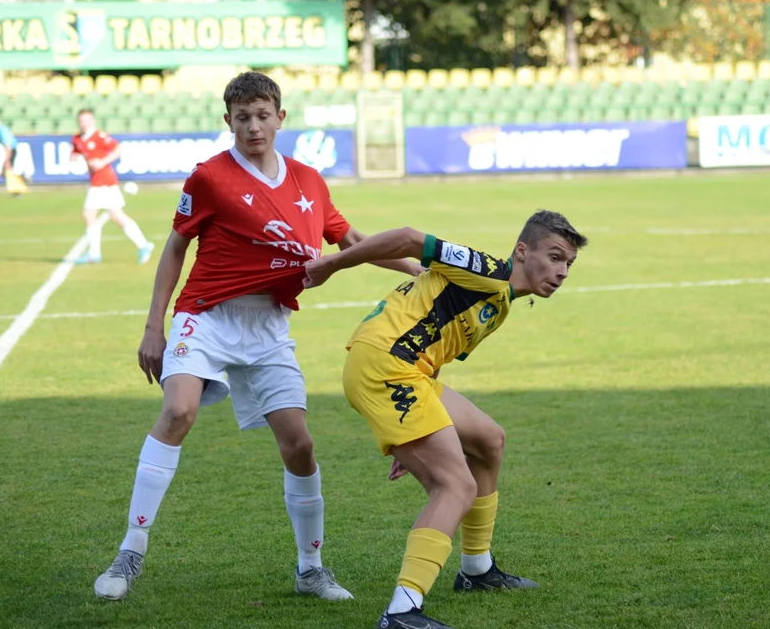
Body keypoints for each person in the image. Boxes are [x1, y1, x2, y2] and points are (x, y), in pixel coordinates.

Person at [92, 71, 423, 603]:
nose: (253, 126)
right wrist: (154, 326)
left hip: (268, 326)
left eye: (262, 115)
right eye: (242, 117)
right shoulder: (209, 178)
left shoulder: (309, 181)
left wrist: (420, 271)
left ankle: (310, 569)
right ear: (228, 121)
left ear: (280, 118)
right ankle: (130, 553)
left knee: (301, 444)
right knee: (179, 412)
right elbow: (175, 248)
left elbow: (355, 241)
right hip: (206, 315)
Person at [302, 211, 588, 629]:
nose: (561, 272)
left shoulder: (500, 303)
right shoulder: (489, 271)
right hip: (385, 365)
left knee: (489, 439)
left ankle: (476, 570)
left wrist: (418, 427)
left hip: (411, 371)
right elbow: (405, 238)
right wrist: (332, 263)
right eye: (555, 257)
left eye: (569, 264)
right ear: (523, 251)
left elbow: (437, 346)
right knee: (455, 485)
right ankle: (401, 612)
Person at [70, 109, 154, 265]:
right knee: (112, 214)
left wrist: (102, 162)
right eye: (81, 121)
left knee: (91, 214)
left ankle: (96, 253)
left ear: (93, 121)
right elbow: (75, 153)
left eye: (87, 120)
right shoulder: (77, 139)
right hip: (95, 181)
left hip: (105, 181)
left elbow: (118, 149)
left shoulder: (100, 136)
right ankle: (143, 245)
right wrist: (75, 159)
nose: (84, 123)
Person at [0, 115, 28, 195]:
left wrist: (7, 160)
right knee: (5, 173)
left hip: (11, 151)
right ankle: (21, 182)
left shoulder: (2, 131)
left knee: (6, 171)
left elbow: (8, 146)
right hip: (10, 151)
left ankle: (21, 183)